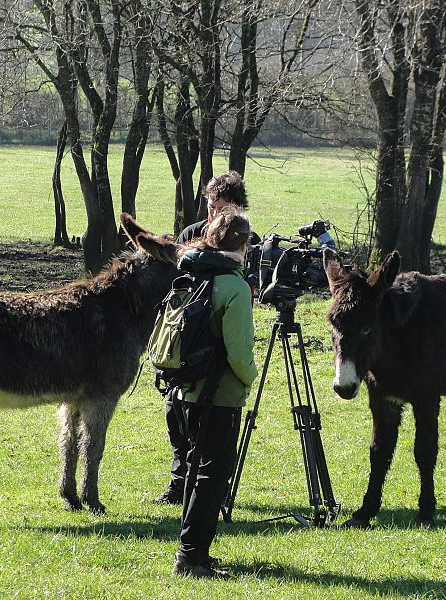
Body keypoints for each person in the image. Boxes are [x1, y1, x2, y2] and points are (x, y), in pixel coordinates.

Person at [156, 171, 253, 505]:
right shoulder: (190, 235)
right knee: (176, 415)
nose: (213, 214)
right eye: (211, 206)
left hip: (217, 341)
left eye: (221, 208)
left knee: (207, 425)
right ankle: (179, 483)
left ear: (237, 209)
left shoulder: (243, 239)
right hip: (186, 339)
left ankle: (208, 488)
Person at [171, 207, 258, 578]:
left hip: (185, 390)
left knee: (195, 470)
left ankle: (193, 552)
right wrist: (251, 377)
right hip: (219, 395)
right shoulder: (234, 286)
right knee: (213, 474)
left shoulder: (192, 273)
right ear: (242, 245)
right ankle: (190, 558)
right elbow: (239, 354)